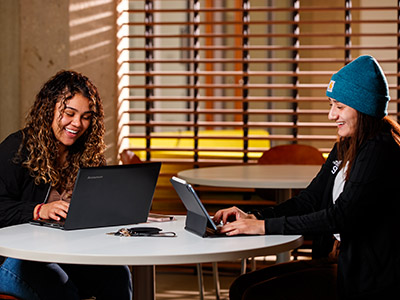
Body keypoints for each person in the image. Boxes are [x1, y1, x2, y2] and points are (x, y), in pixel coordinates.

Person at [213, 55, 400, 299]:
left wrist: (263, 227)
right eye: (331, 104)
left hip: (366, 275)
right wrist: (254, 216)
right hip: (337, 259)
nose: (331, 115)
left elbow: (341, 216)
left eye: (339, 106)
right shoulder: (347, 145)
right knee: (241, 287)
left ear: (363, 109)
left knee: (255, 295)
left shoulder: (380, 148)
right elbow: (310, 199)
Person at [0, 70, 132, 300]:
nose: (77, 124)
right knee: (58, 285)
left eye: (86, 116)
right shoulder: (17, 148)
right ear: (49, 109)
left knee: (117, 275)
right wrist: (39, 210)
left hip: (64, 253)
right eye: (69, 113)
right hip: (12, 257)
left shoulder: (89, 156)